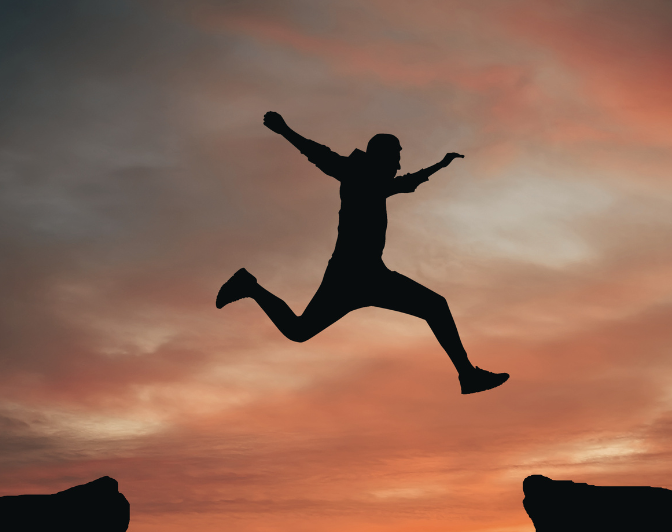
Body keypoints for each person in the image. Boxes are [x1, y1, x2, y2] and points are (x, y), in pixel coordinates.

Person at [217, 111, 508, 394]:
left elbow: (407, 183)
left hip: (370, 276)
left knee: (432, 307)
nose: (398, 163)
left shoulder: (379, 184)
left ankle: (468, 375)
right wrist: (286, 130)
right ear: (381, 156)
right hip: (350, 276)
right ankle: (250, 287)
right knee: (301, 330)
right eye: (395, 156)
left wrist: (440, 165)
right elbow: (318, 153)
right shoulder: (354, 174)